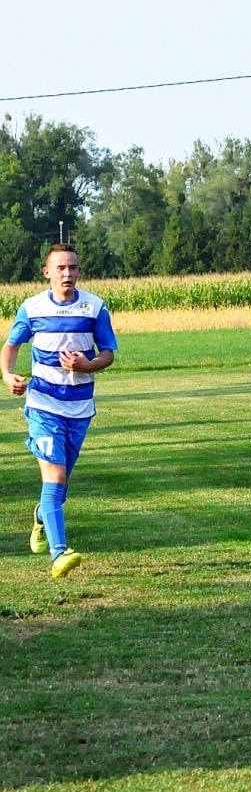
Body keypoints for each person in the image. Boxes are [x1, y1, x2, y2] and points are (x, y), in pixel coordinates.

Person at [1, 244, 117, 579]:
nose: (68, 273)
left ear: (79, 271)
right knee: (55, 477)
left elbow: (108, 352)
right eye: (61, 268)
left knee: (60, 488)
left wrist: (88, 364)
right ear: (47, 272)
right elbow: (10, 347)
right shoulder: (32, 308)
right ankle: (59, 553)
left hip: (79, 408)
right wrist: (9, 376)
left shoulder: (94, 307)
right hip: (43, 406)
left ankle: (41, 516)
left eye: (73, 268)